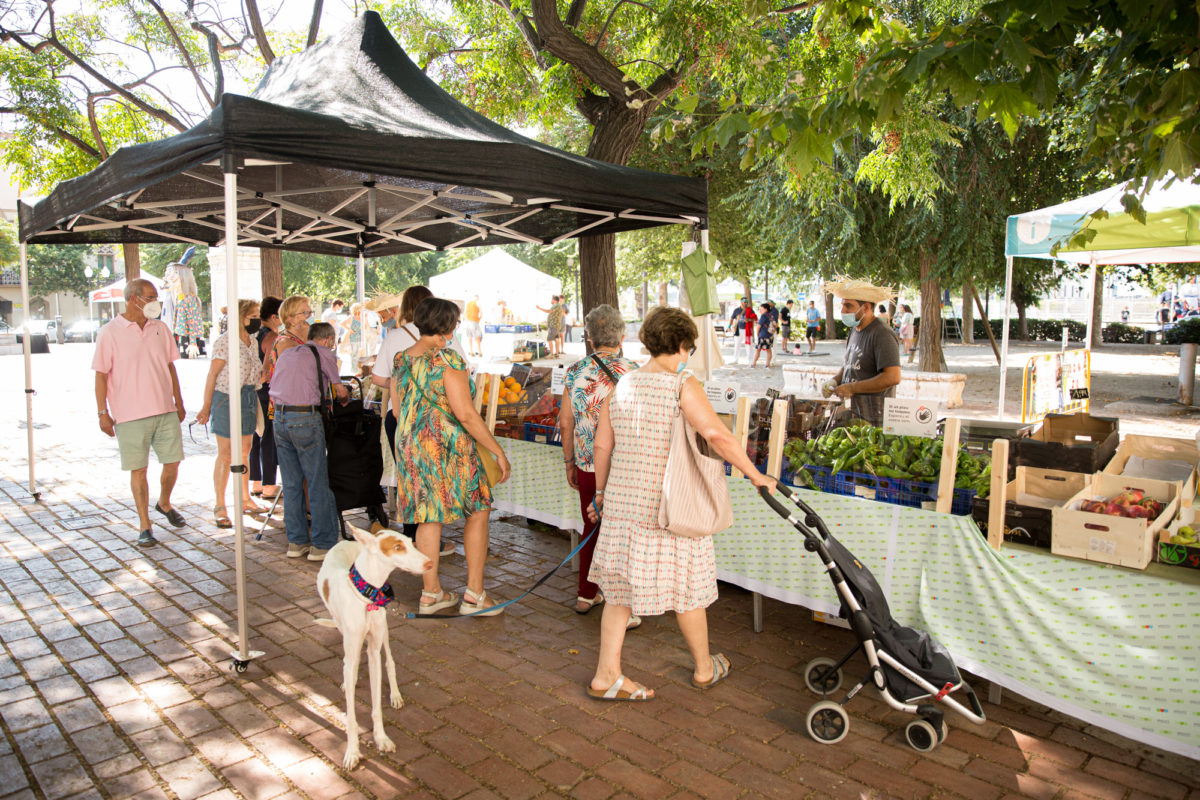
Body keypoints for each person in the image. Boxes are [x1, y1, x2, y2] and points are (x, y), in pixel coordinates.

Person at [586, 307, 775, 700]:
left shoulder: (622, 385)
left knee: (619, 593)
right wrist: (756, 475)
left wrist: (600, 494)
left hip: (623, 505)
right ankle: (705, 669)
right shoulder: (682, 384)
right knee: (688, 588)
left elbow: (602, 445)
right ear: (683, 346)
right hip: (670, 505)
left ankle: (607, 675)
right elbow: (716, 435)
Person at [391, 298, 511, 616]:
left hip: (411, 446)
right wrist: (498, 451)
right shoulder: (448, 361)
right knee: (478, 510)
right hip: (447, 446)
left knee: (427, 517)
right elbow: (467, 415)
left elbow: (397, 409)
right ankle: (474, 594)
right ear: (447, 325)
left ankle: (431, 594)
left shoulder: (401, 358)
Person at [558, 305, 640, 626]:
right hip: (624, 467)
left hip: (588, 465)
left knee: (591, 527)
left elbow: (565, 423)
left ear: (589, 338)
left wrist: (570, 463)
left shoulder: (575, 372)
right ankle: (622, 605)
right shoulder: (633, 371)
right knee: (622, 532)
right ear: (622, 336)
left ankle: (586, 592)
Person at [93, 278, 186, 547]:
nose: (155, 301)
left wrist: (179, 401)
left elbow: (170, 366)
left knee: (173, 462)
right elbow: (101, 375)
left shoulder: (160, 328)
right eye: (151, 297)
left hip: (165, 409)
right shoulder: (109, 332)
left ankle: (164, 502)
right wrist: (102, 412)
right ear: (134, 299)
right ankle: (145, 524)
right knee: (139, 470)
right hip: (130, 414)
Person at [371, 285, 460, 556]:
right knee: (432, 486)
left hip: (401, 419)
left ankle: (412, 537)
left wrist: (406, 381)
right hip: (434, 419)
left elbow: (377, 378)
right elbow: (462, 373)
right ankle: (427, 542)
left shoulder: (394, 336)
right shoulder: (447, 338)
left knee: (408, 478)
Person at [270, 296, 349, 562]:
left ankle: (296, 542)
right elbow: (339, 391)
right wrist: (343, 394)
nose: (308, 317)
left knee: (292, 483)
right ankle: (323, 543)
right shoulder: (318, 351)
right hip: (304, 416)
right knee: (316, 482)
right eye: (305, 313)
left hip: (280, 419)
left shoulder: (285, 347)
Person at [196, 299, 264, 528]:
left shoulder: (252, 342)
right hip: (226, 397)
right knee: (226, 453)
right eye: (253, 315)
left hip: (247, 396)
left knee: (245, 450)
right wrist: (206, 405)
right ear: (241, 317)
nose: (257, 319)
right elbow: (212, 375)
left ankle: (244, 498)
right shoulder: (225, 342)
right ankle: (220, 504)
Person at [821, 280, 902, 427]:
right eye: (842, 305)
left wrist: (852, 388)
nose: (843, 311)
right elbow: (849, 364)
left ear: (866, 307)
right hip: (852, 414)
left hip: (873, 419)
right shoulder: (855, 330)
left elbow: (893, 377)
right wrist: (835, 380)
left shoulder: (882, 333)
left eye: (849, 306)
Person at [250, 296, 282, 501]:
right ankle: (269, 484)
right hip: (268, 391)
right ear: (273, 316)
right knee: (269, 436)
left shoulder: (254, 333)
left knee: (256, 435)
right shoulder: (270, 336)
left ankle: (256, 482)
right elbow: (268, 368)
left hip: (256, 391)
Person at [750, 302, 775, 368]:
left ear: (766, 309)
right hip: (770, 335)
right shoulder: (771, 315)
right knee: (768, 350)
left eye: (761, 309)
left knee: (758, 349)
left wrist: (757, 335)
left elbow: (758, 326)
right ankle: (767, 365)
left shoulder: (763, 316)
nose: (760, 310)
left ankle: (753, 364)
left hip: (763, 335)